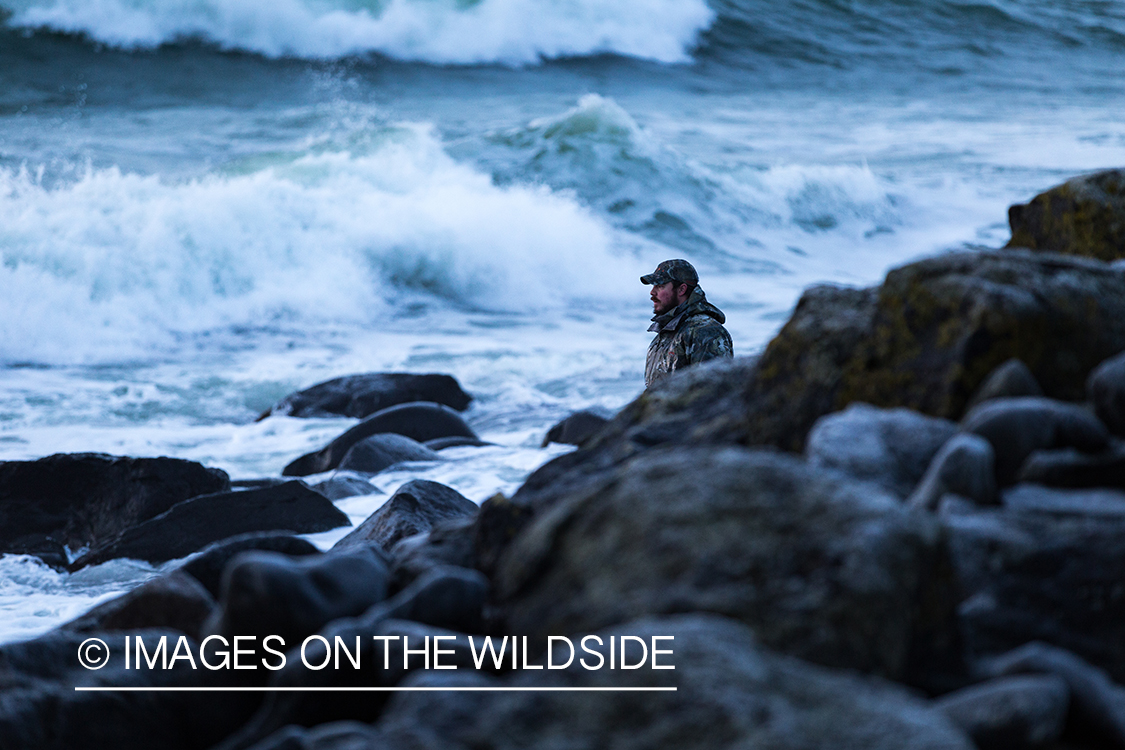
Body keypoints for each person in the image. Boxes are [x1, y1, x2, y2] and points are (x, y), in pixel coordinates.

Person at [641, 259, 733, 388]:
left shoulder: (705, 332)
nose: (652, 292)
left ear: (681, 289)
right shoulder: (665, 334)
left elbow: (713, 394)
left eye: (660, 286)